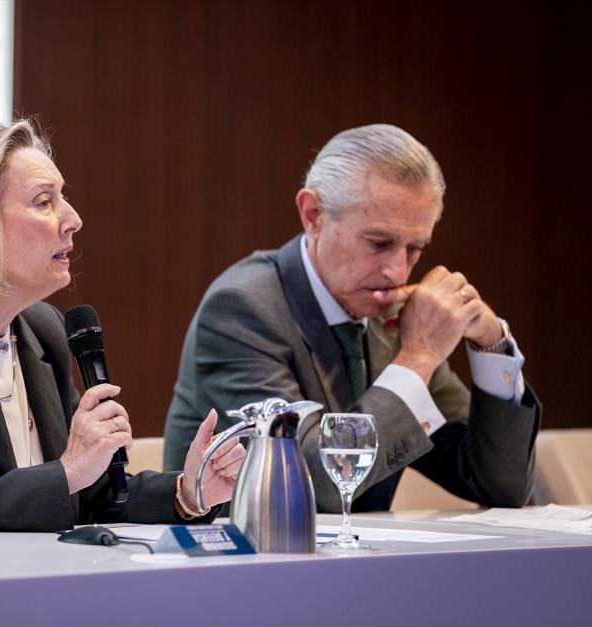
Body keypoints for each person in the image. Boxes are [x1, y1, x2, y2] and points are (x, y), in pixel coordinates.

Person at [0, 119, 244, 533]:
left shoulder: (42, 331)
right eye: (43, 201)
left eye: (62, 198)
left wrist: (188, 492)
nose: (73, 219)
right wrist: (67, 471)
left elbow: (91, 496)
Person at [163, 124, 541, 512]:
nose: (397, 271)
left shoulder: (393, 318)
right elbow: (308, 487)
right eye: (379, 243)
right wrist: (419, 357)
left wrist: (492, 345)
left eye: (414, 249)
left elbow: (500, 485)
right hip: (242, 565)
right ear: (313, 215)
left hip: (360, 566)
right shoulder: (242, 309)